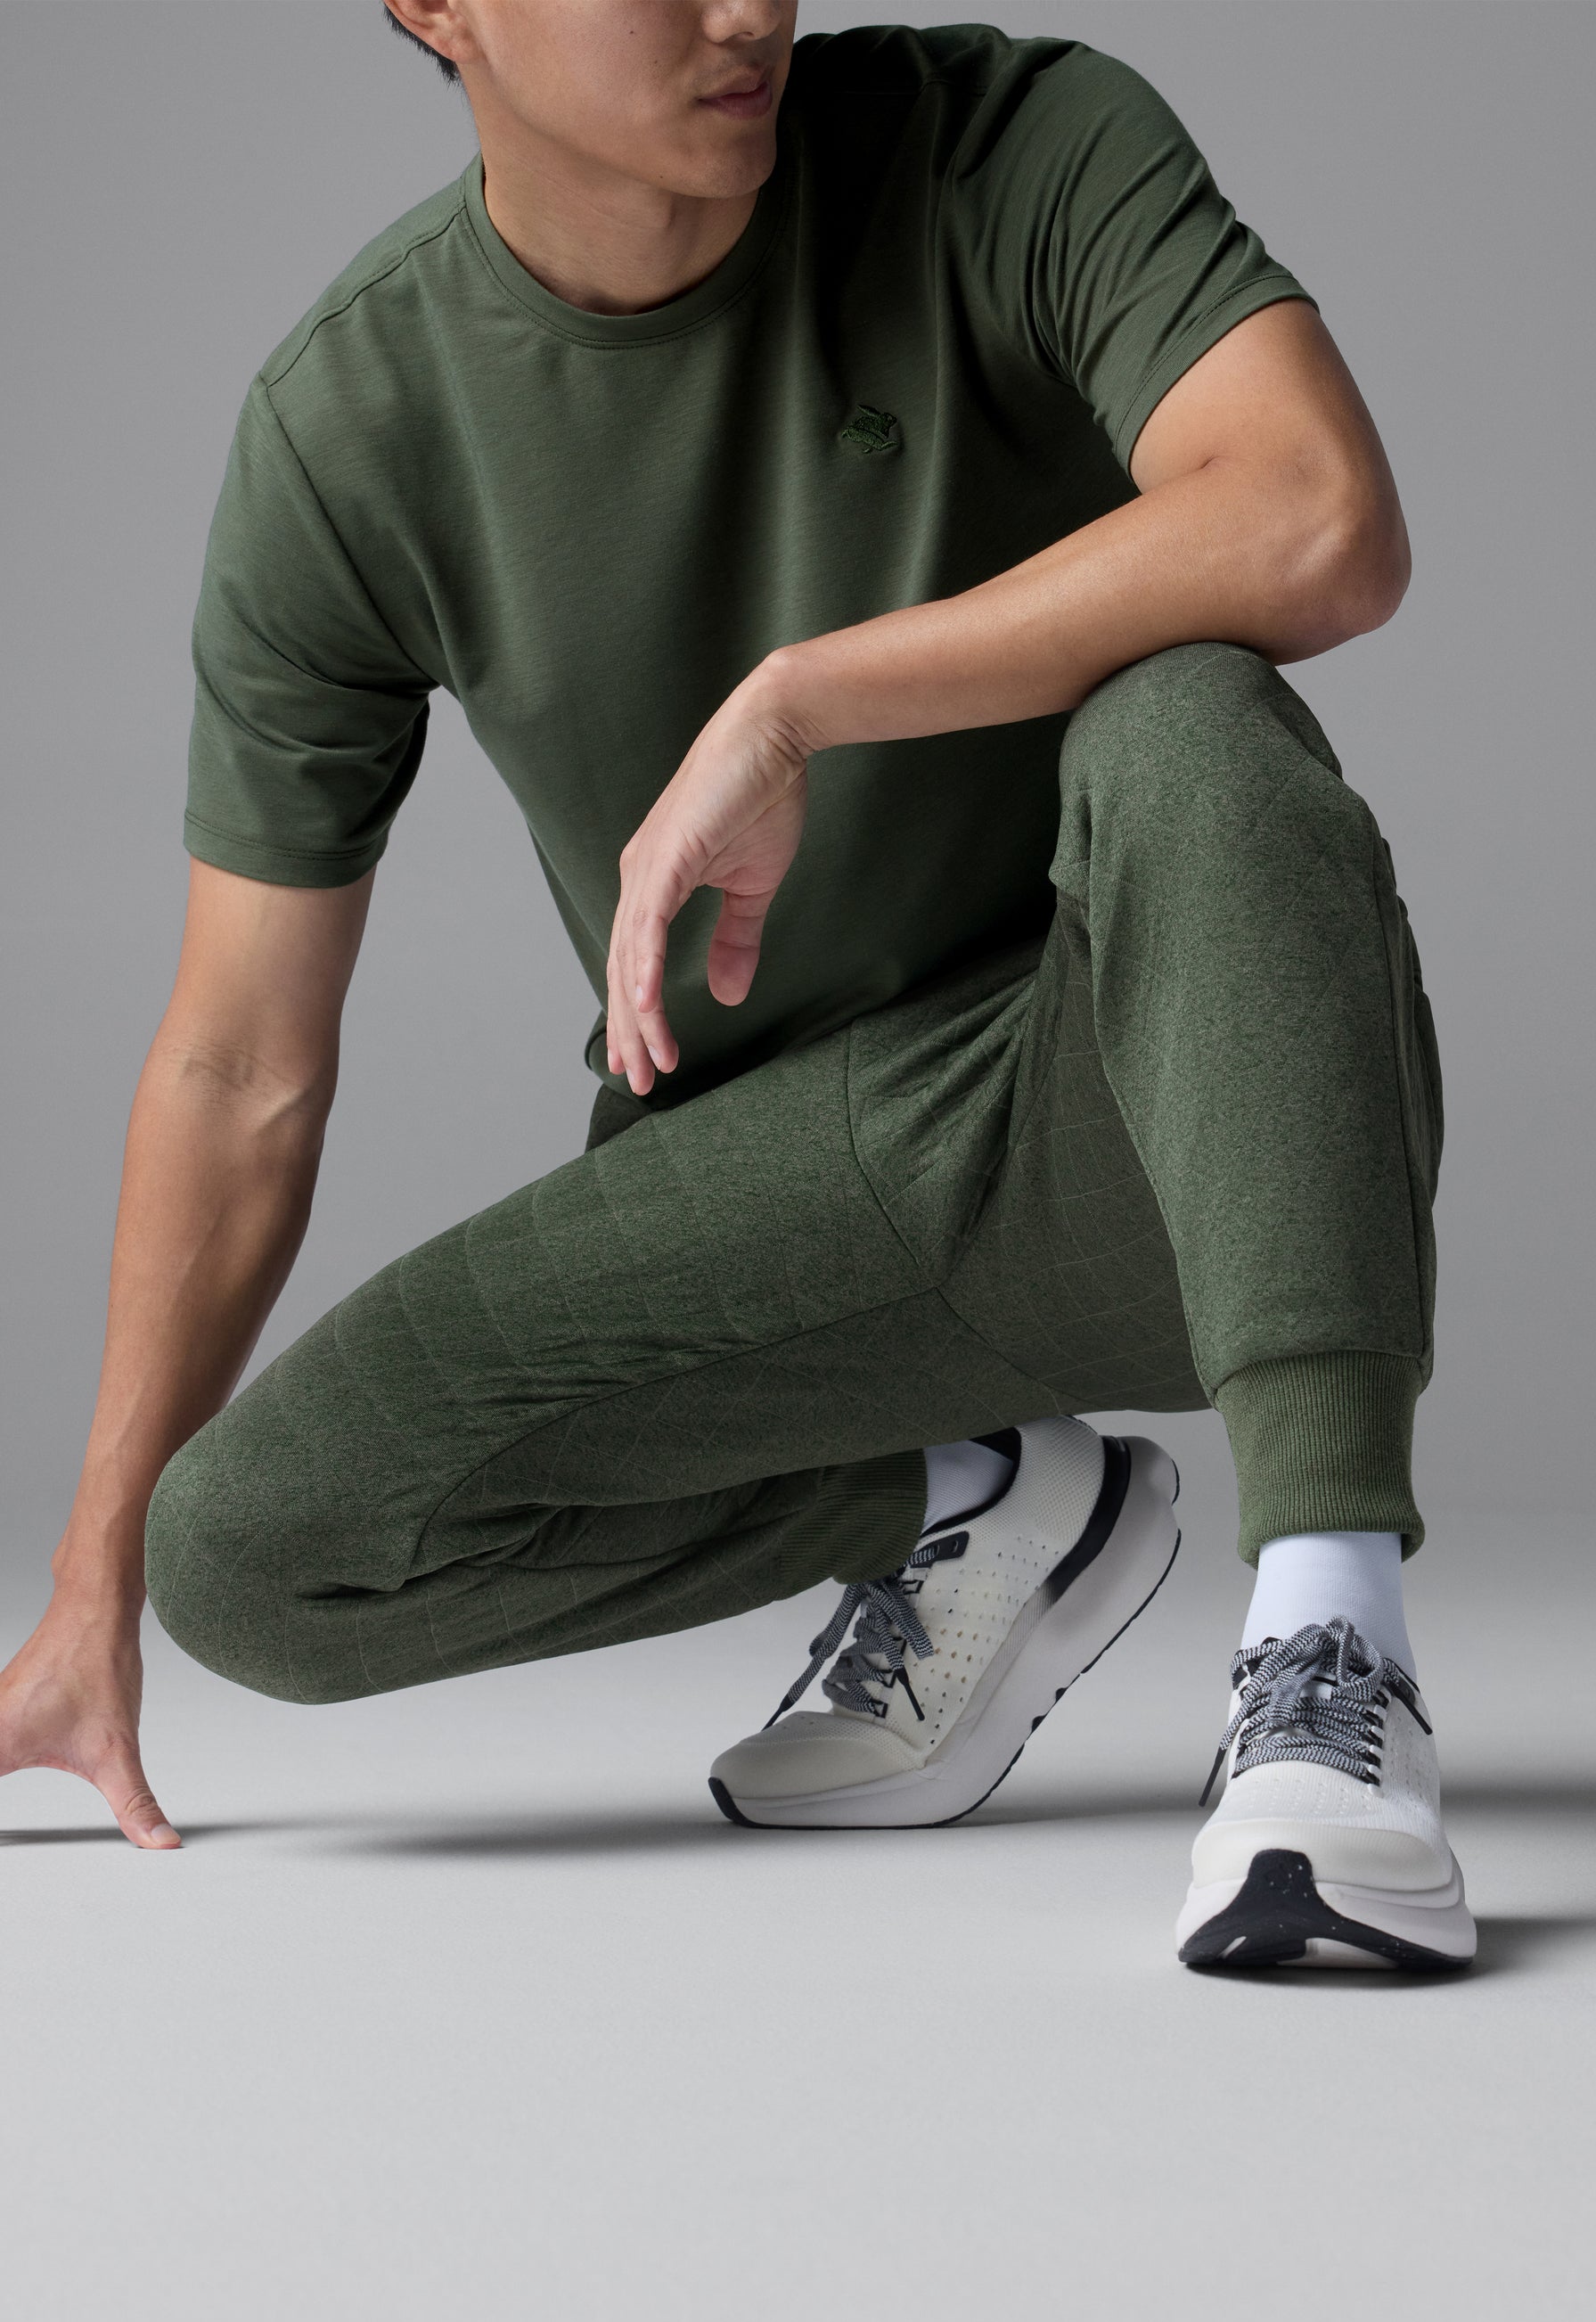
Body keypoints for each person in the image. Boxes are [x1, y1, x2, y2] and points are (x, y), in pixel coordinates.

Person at [0, 0, 1473, 1971]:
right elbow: (239, 1063)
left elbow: (1316, 513)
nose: (748, 8)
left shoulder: (1008, 142)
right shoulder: (354, 424)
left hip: (1157, 1098)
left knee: (1192, 716)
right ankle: (979, 1495)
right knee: (253, 1554)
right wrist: (86, 1593)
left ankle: (1331, 1653)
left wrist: (803, 700)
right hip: (791, 1188)